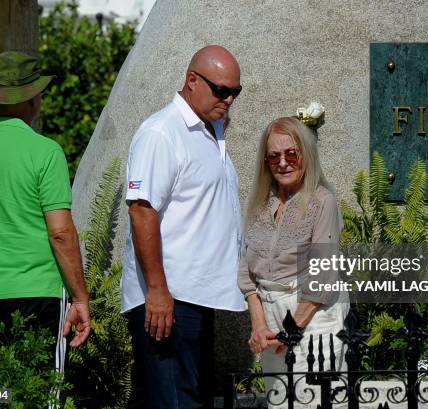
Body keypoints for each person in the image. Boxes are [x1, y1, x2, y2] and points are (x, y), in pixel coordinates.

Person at [0, 51, 90, 376]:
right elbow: (61, 233)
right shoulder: (46, 152)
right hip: (38, 295)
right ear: (32, 99)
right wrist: (81, 298)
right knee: (39, 394)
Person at [121, 45, 245, 408]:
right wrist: (158, 291)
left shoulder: (210, 132)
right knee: (178, 401)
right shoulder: (161, 132)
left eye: (235, 92)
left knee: (168, 398)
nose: (229, 100)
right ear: (192, 80)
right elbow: (142, 211)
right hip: (169, 299)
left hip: (194, 299)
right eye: (221, 90)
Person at [238, 116, 348, 408]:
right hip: (271, 315)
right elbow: (247, 276)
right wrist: (259, 327)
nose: (283, 162)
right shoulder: (260, 204)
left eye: (291, 153)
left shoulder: (322, 201)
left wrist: (290, 331)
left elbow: (322, 277)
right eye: (274, 156)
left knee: (313, 402)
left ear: (306, 155)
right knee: (280, 401)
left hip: (310, 315)